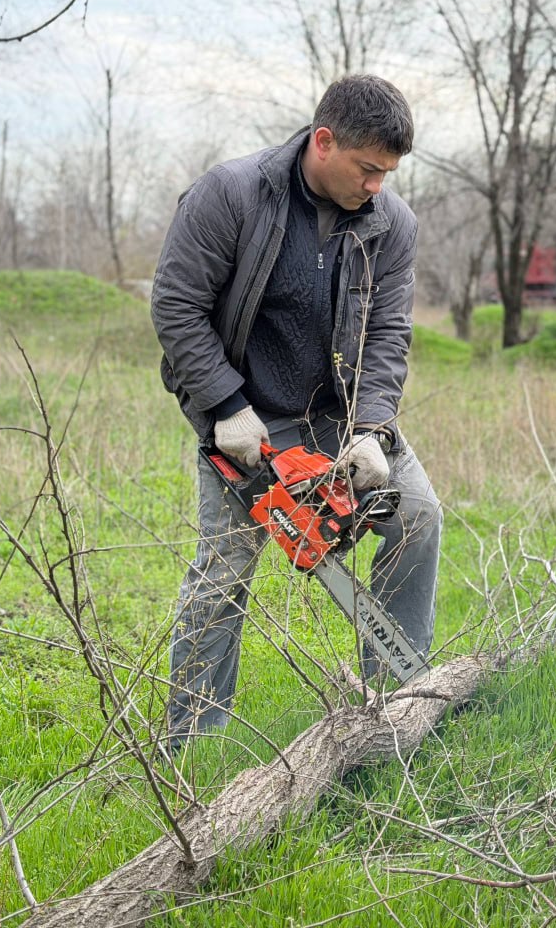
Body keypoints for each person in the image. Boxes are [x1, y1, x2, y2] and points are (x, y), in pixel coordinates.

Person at [150, 75, 441, 752]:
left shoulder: (391, 225)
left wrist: (371, 430)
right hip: (246, 414)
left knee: (418, 517)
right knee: (223, 571)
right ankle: (195, 744)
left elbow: (387, 334)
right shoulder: (230, 195)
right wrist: (224, 404)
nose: (377, 186)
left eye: (388, 174)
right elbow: (176, 305)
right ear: (323, 141)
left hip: (341, 414)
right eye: (368, 169)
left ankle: (396, 711)